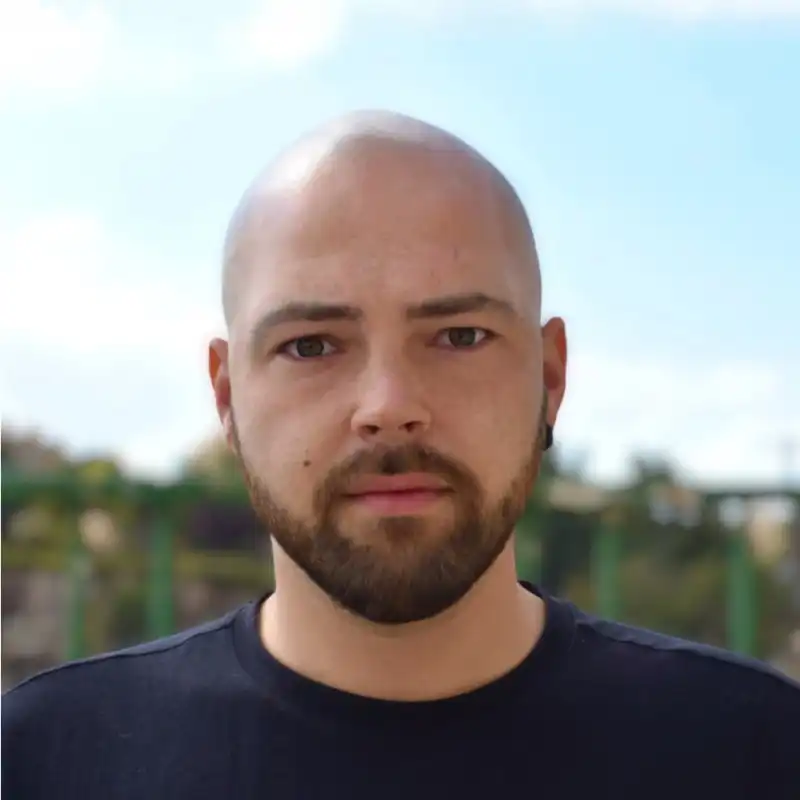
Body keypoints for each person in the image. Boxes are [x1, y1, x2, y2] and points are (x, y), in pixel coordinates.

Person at [3, 110, 799, 799]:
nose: (388, 406)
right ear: (227, 396)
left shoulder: (758, 754)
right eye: (311, 345)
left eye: (460, 336)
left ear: (550, 378)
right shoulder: (41, 764)